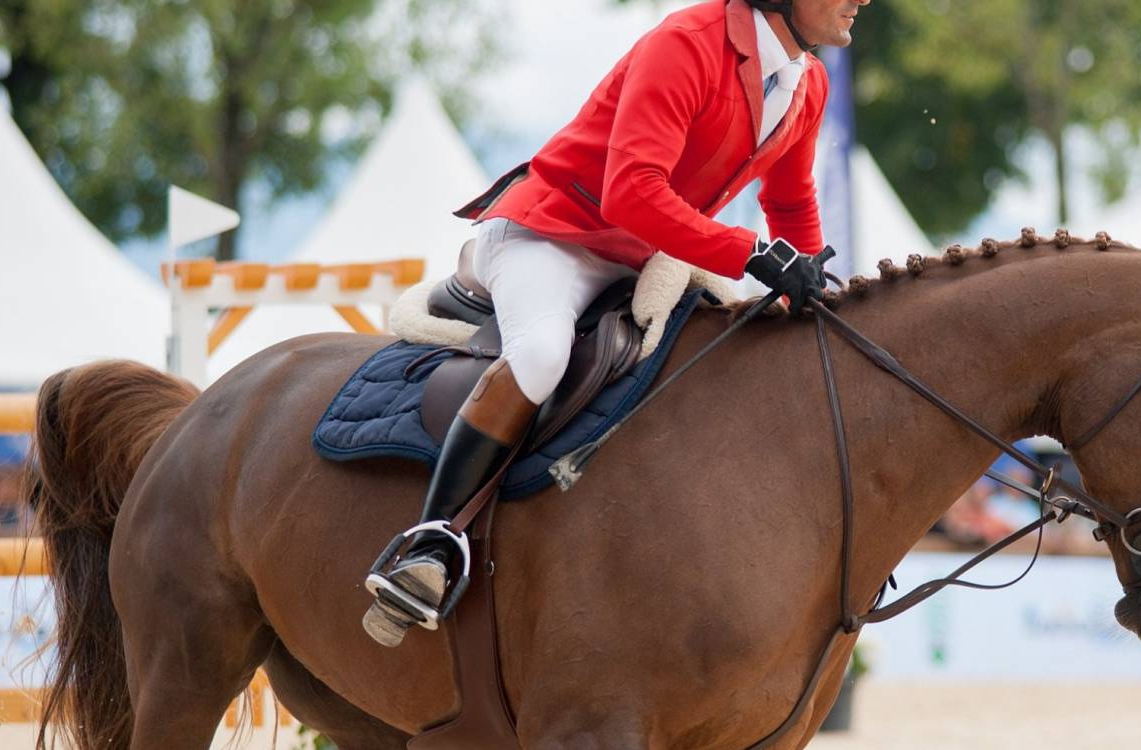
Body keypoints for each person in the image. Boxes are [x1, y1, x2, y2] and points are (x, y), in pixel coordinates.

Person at [362, 0, 871, 647]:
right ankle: (429, 543)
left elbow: (791, 201)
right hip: (551, 234)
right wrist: (749, 252)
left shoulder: (808, 81)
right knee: (543, 354)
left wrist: (814, 289)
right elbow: (631, 190)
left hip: (642, 257)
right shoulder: (688, 41)